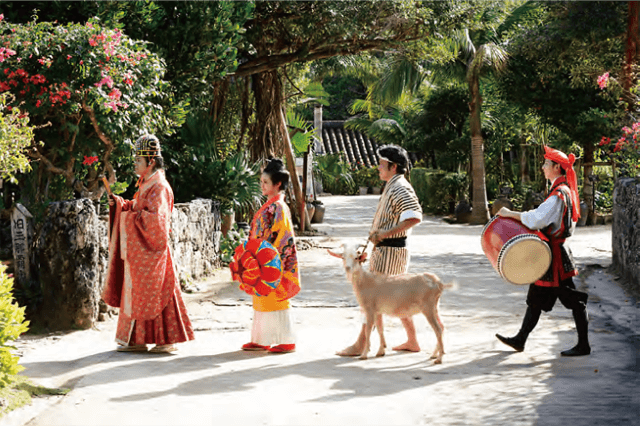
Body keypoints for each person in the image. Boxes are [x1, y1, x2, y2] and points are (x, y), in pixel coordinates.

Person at [102, 134, 194, 353]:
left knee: (159, 293)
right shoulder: (147, 184)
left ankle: (166, 340)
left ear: (150, 162)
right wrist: (120, 205)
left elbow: (156, 222)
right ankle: (137, 339)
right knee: (140, 292)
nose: (135, 163)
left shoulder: (159, 187)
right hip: (143, 251)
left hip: (154, 251)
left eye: (138, 160)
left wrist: (126, 217)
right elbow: (139, 207)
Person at [495, 145, 590, 356]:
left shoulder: (558, 193)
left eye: (546, 163)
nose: (542, 167)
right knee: (537, 296)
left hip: (554, 255)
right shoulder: (562, 190)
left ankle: (583, 345)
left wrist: (511, 213)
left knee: (572, 298)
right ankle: (520, 339)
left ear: (557, 167)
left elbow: (536, 219)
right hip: (554, 252)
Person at [337, 144, 423, 357]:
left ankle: (360, 344)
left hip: (390, 253)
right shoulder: (394, 185)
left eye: (381, 164)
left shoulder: (399, 187)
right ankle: (412, 340)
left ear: (393, 166)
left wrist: (383, 235)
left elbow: (415, 216)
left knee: (372, 301)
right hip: (387, 251)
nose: (378, 168)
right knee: (395, 299)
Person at [240, 158, 301, 353]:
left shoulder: (278, 207)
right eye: (262, 181)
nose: (262, 185)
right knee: (262, 299)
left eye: (266, 182)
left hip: (272, 260)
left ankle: (286, 340)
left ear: (278, 184)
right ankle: (261, 339)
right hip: (262, 258)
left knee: (275, 299)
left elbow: (282, 237)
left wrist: (268, 258)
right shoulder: (271, 205)